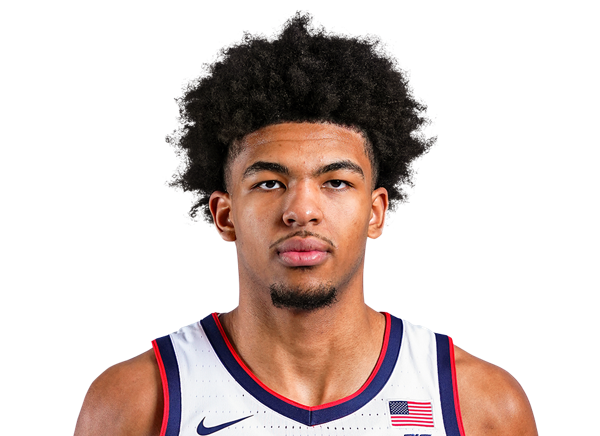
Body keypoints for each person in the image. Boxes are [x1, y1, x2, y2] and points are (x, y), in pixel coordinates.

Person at [74, 11, 538, 436]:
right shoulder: (134, 403)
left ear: (376, 212)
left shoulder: (479, 405)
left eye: (336, 182)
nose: (301, 211)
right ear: (224, 215)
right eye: (270, 183)